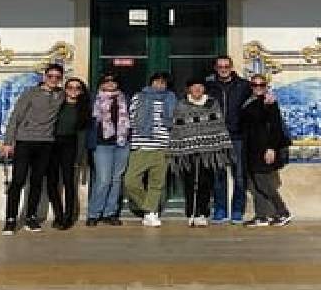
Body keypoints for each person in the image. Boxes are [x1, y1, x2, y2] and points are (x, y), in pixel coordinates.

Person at [0, 64, 66, 236]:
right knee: (18, 181)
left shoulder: (61, 95)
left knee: (37, 182)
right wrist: (8, 142)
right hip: (25, 141)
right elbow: (16, 116)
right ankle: (10, 219)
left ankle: (31, 217)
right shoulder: (30, 93)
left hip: (46, 143)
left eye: (57, 77)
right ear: (44, 77)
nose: (53, 79)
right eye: (50, 76)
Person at [169, 77, 234, 227]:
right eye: (194, 87)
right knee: (190, 182)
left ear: (204, 89)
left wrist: (220, 144)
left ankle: (202, 212)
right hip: (188, 151)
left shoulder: (212, 104)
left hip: (209, 151)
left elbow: (218, 124)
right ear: (189, 89)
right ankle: (191, 212)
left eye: (200, 86)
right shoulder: (181, 105)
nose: (197, 89)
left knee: (206, 181)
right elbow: (178, 128)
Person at [240, 73, 293, 227]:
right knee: (256, 184)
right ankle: (262, 216)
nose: (258, 88)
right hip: (252, 148)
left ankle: (283, 212)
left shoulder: (269, 103)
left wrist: (271, 148)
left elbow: (275, 127)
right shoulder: (250, 101)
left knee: (264, 184)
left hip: (264, 149)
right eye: (255, 85)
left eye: (261, 85)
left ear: (266, 86)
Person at [123, 71, 176, 227]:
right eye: (157, 81)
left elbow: (175, 121)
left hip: (162, 146)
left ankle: (150, 214)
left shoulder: (171, 99)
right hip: (142, 146)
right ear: (151, 82)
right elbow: (131, 119)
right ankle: (149, 208)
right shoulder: (139, 97)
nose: (159, 85)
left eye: (163, 82)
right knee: (130, 181)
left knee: (156, 183)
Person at [204, 55, 252, 224]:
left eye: (226, 66)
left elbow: (256, 101)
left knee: (239, 175)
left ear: (231, 67)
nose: (223, 69)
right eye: (220, 66)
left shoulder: (244, 86)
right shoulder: (209, 86)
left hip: (237, 135)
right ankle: (220, 209)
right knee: (218, 175)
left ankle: (237, 210)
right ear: (216, 68)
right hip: (217, 136)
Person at [46, 76, 91, 230]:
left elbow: (82, 134)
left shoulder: (83, 108)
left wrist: (79, 156)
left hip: (70, 145)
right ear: (65, 89)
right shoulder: (57, 105)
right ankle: (58, 214)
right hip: (52, 144)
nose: (73, 90)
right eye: (70, 87)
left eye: (77, 88)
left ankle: (68, 216)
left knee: (68, 182)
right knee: (52, 182)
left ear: (81, 91)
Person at [85, 73, 130, 226]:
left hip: (121, 142)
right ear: (101, 83)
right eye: (107, 81)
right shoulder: (93, 99)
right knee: (103, 180)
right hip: (101, 143)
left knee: (116, 179)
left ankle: (110, 212)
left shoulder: (125, 98)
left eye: (114, 81)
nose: (111, 84)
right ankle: (94, 213)